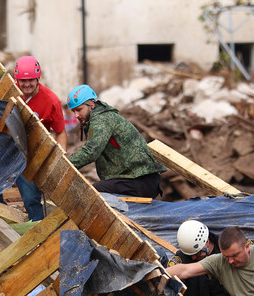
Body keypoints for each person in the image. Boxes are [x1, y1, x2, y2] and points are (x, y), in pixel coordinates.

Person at [66, 85, 165, 198]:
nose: (76, 115)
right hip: (134, 179)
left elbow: (91, 151)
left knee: (96, 192)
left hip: (141, 180)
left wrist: (64, 165)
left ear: (92, 105)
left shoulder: (101, 120)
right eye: (73, 111)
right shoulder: (99, 118)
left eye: (79, 110)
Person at [9, 56, 67, 220]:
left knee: (30, 196)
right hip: (7, 144)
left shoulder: (51, 101)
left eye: (30, 80)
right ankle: (2, 221)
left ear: (37, 78)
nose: (26, 84)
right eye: (22, 81)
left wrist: (60, 158)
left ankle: (37, 227)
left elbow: (60, 131)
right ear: (16, 79)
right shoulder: (8, 91)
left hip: (32, 150)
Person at [169, 220, 236, 296]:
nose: (194, 258)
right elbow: (173, 267)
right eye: (191, 255)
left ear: (207, 242)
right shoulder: (185, 256)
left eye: (197, 253)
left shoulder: (227, 249)